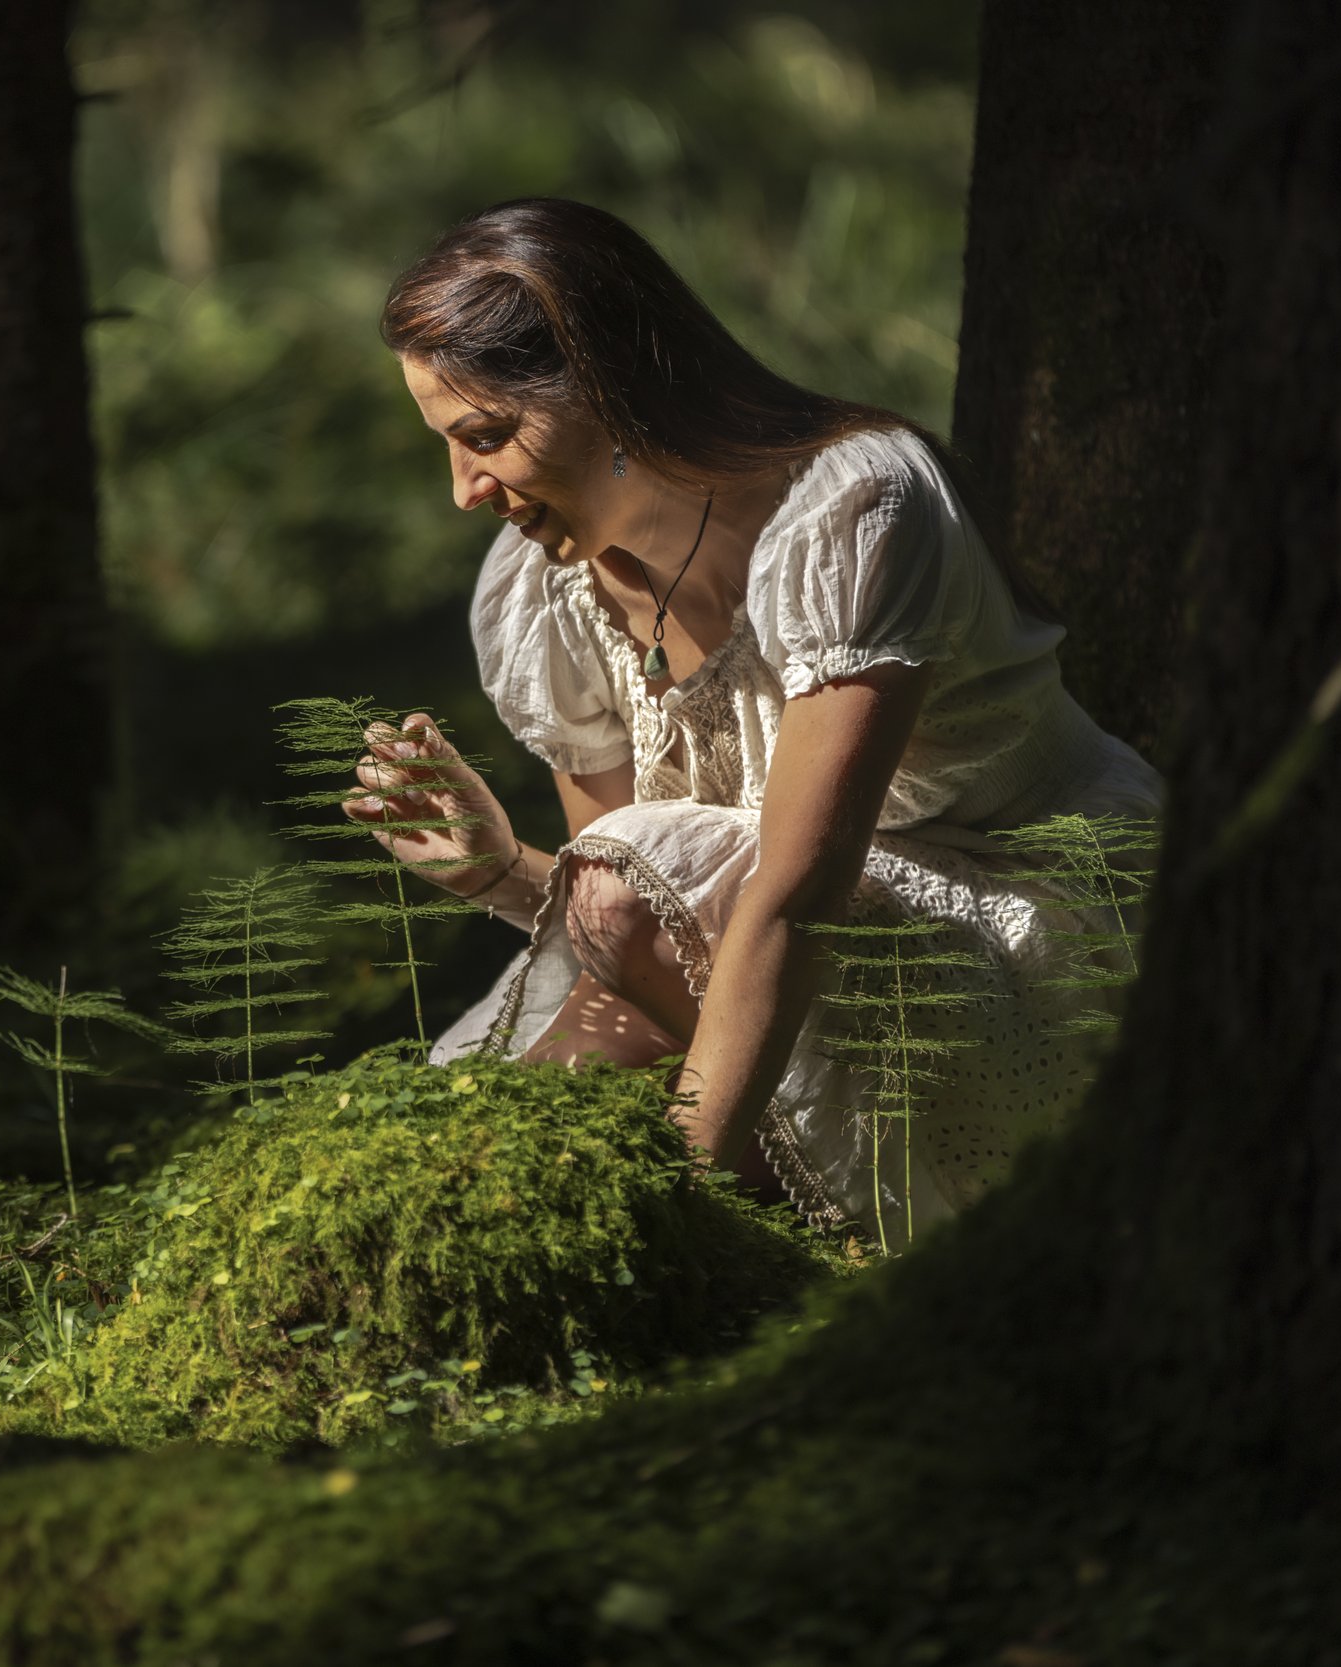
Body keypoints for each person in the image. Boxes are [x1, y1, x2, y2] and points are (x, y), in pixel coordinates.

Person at [348, 198, 1162, 1239]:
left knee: (607, 1108)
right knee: (526, 1129)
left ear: (611, 383)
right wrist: (500, 869)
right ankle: (538, 1243)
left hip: (1027, 940)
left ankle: (692, 1243)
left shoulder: (852, 509)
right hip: (795, 962)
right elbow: (638, 916)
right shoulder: (540, 588)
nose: (463, 489)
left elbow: (795, 885)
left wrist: (688, 1189)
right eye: (448, 445)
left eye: (486, 436)